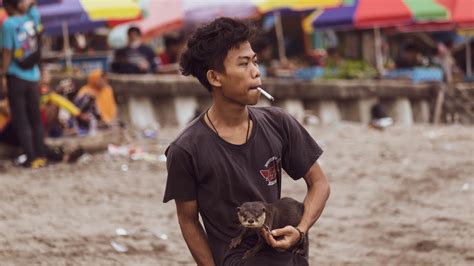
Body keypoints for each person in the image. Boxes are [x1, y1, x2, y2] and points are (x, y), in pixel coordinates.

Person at [163, 17, 330, 266]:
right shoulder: (186, 149)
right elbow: (188, 220)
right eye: (244, 64)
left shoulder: (278, 122)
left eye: (254, 61)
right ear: (215, 78)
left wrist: (301, 229)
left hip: (290, 257)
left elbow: (319, 184)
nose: (256, 71)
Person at [1, 0, 47, 168]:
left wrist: (2, 73)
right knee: (35, 118)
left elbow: (7, 51)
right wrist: (29, 4)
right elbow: (34, 6)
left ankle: (31, 158)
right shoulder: (31, 17)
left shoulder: (8, 25)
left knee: (21, 119)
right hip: (33, 76)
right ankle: (41, 155)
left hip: (16, 76)